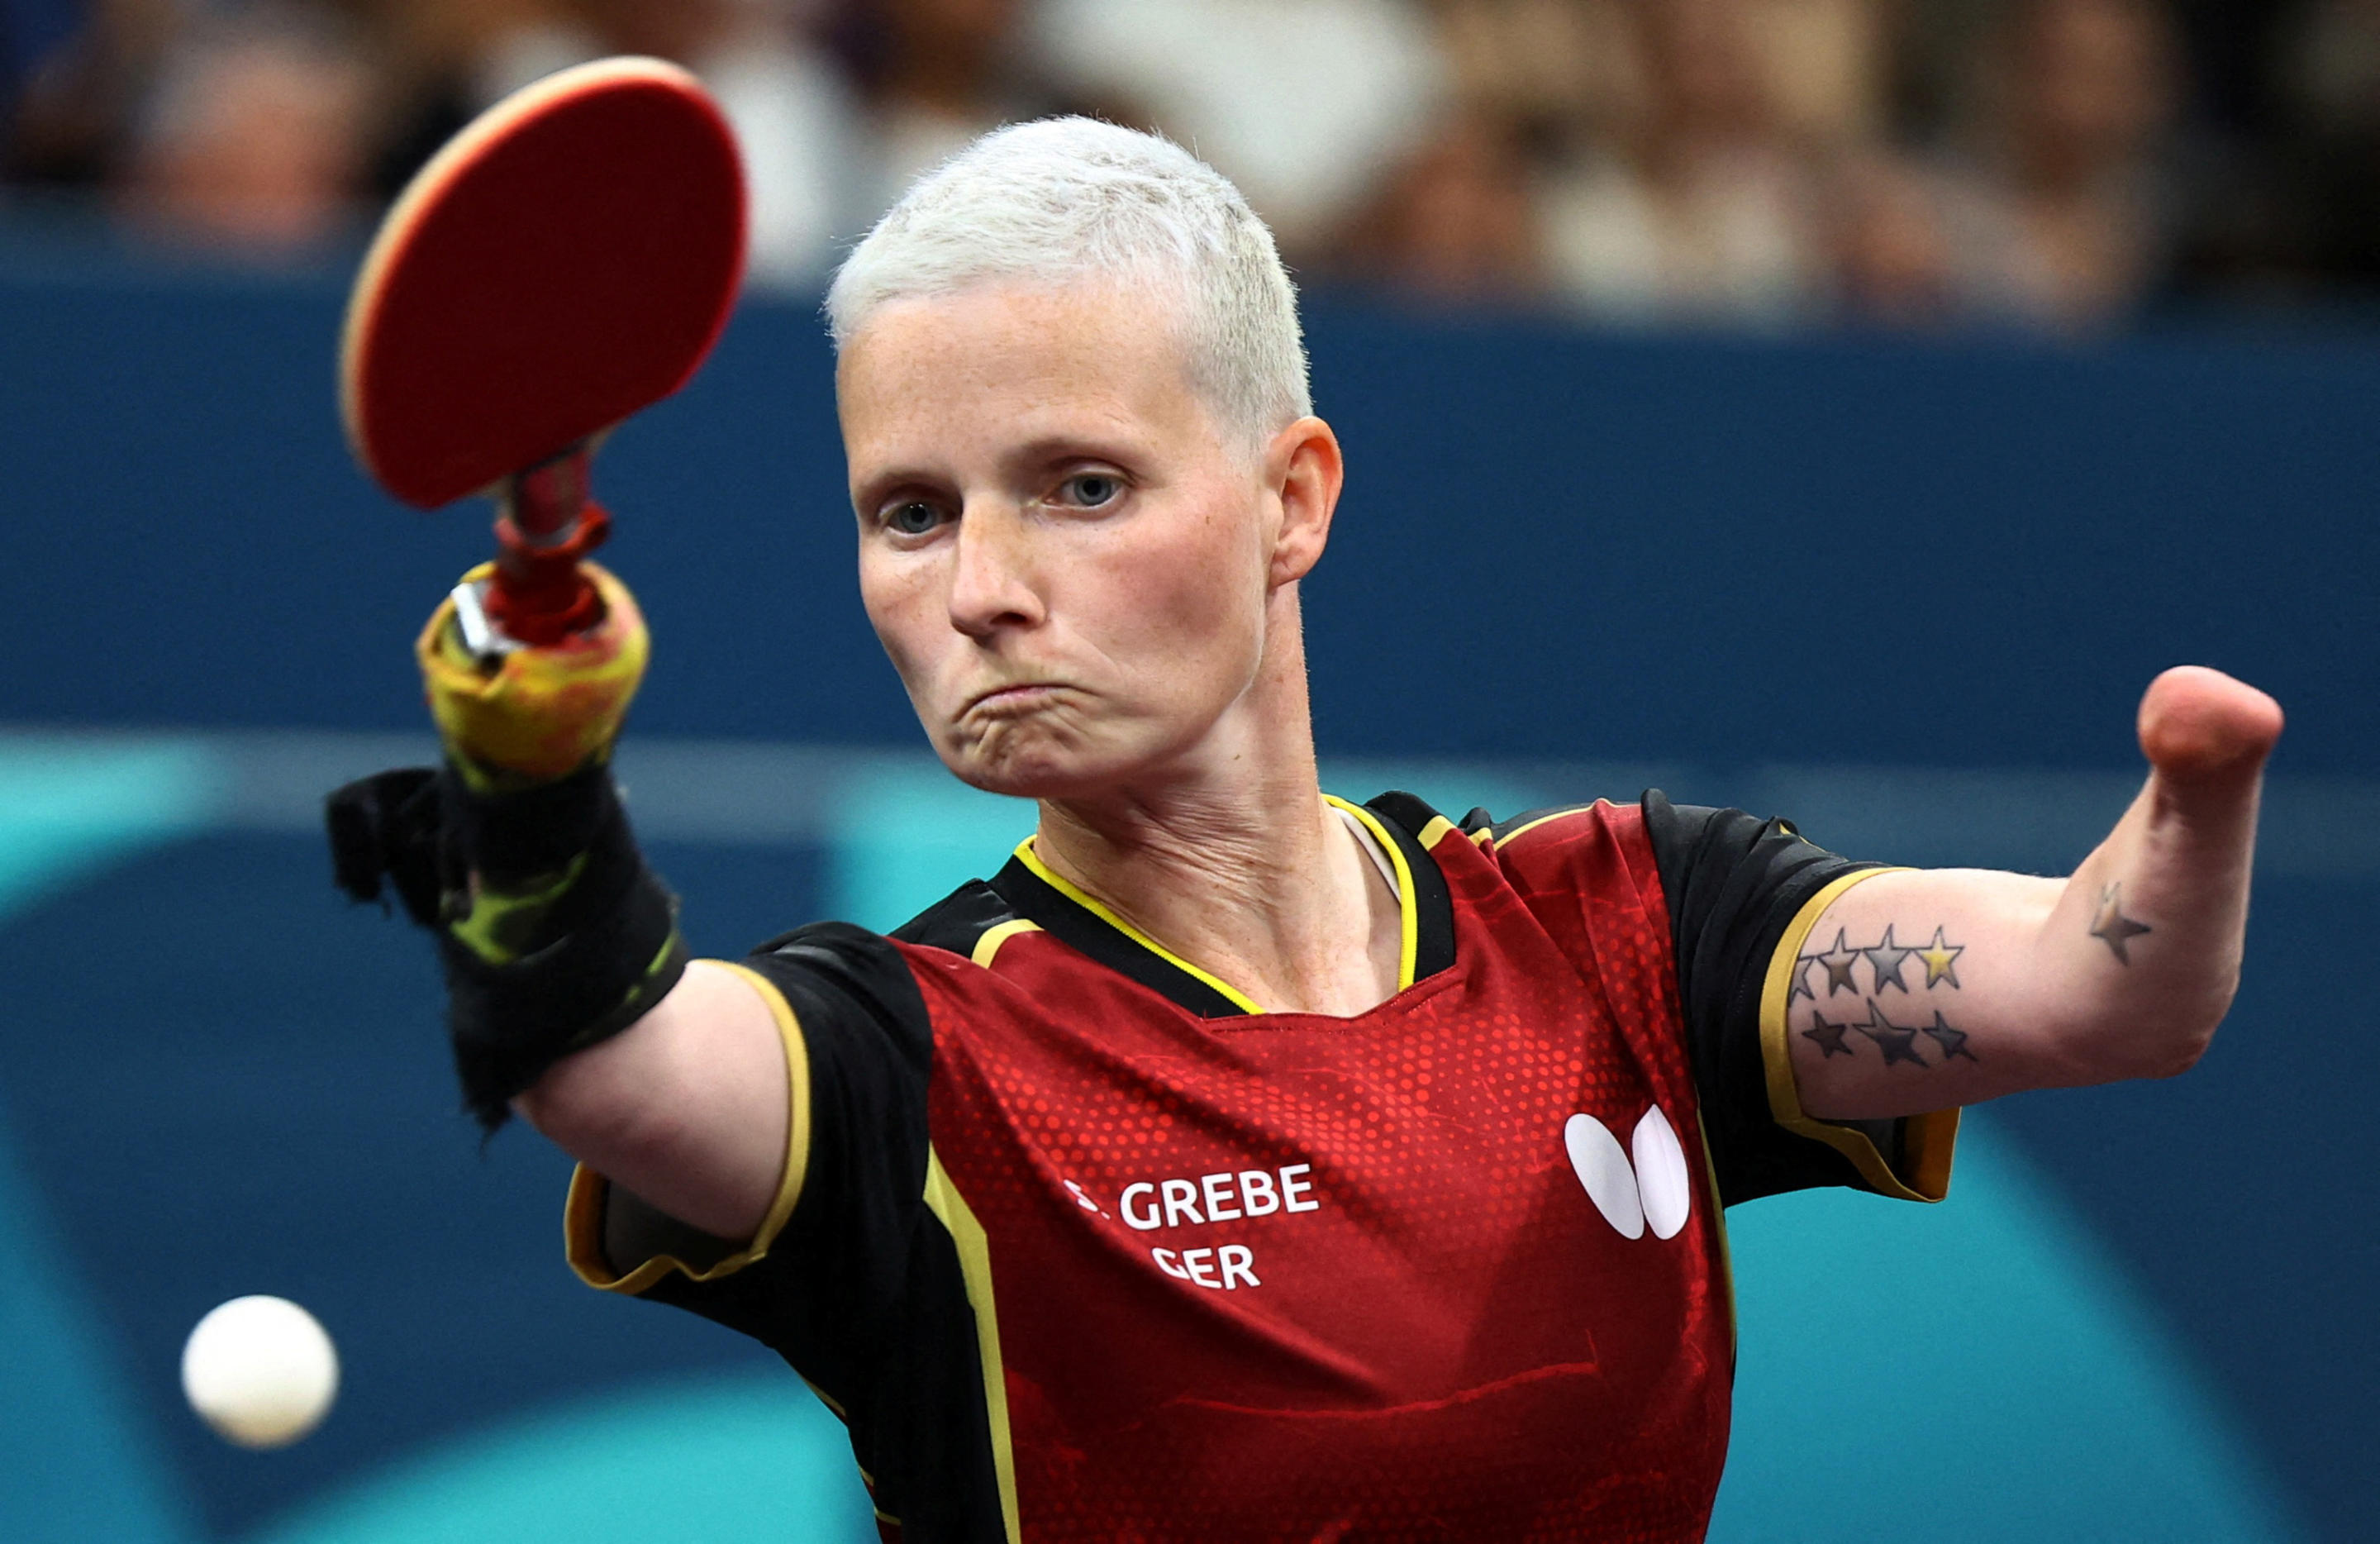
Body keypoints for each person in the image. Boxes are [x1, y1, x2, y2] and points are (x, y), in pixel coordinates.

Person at [329, 117, 2282, 1542]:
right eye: (910, 512)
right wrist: (530, 772)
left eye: (1080, 484)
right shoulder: (909, 1059)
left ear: (1293, 500)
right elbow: (606, 1053)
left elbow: (2094, 992)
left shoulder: (1620, 931)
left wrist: (2190, 816)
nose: (981, 583)